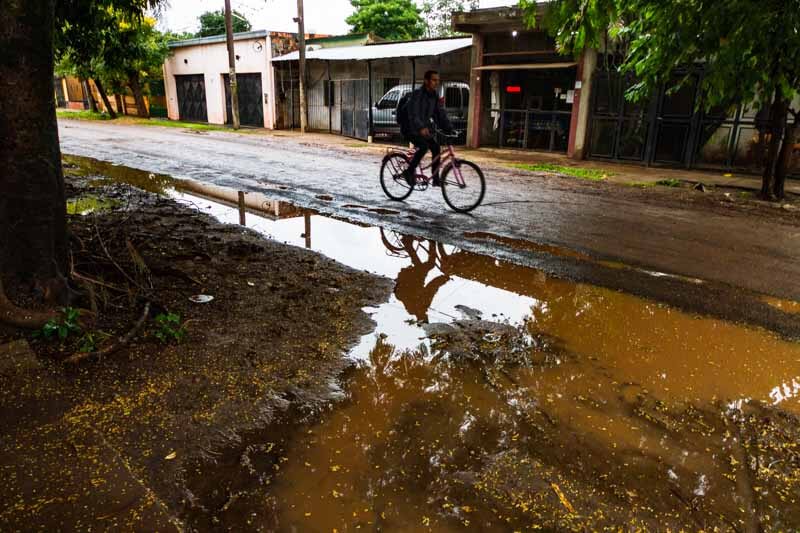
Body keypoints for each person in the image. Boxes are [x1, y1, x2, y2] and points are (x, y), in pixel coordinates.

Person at [400, 70, 454, 187]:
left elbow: (439, 114)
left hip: (422, 128)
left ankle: (435, 179)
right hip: (409, 127)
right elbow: (413, 114)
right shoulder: (417, 94)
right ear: (426, 81)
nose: (436, 83)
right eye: (434, 80)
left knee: (436, 147)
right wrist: (421, 127)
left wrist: (449, 128)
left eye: (438, 80)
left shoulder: (434, 95)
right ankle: (408, 172)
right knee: (423, 147)